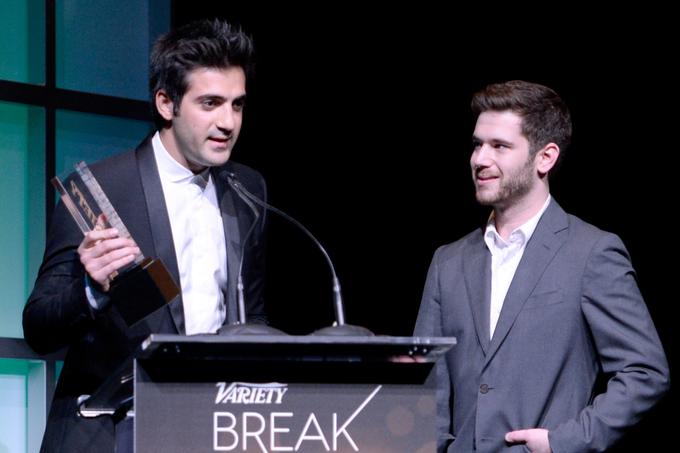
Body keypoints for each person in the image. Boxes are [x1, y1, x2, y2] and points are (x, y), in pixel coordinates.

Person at [23, 19, 267, 452]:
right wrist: (91, 291)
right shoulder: (100, 191)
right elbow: (39, 327)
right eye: (210, 103)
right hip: (115, 433)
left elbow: (253, 317)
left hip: (210, 429)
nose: (228, 122)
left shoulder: (246, 190)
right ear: (166, 103)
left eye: (237, 105)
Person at [414, 80, 669, 452]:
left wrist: (562, 442)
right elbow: (428, 379)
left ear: (545, 158)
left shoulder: (590, 252)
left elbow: (645, 372)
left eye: (499, 146)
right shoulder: (448, 262)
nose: (480, 159)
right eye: (477, 144)